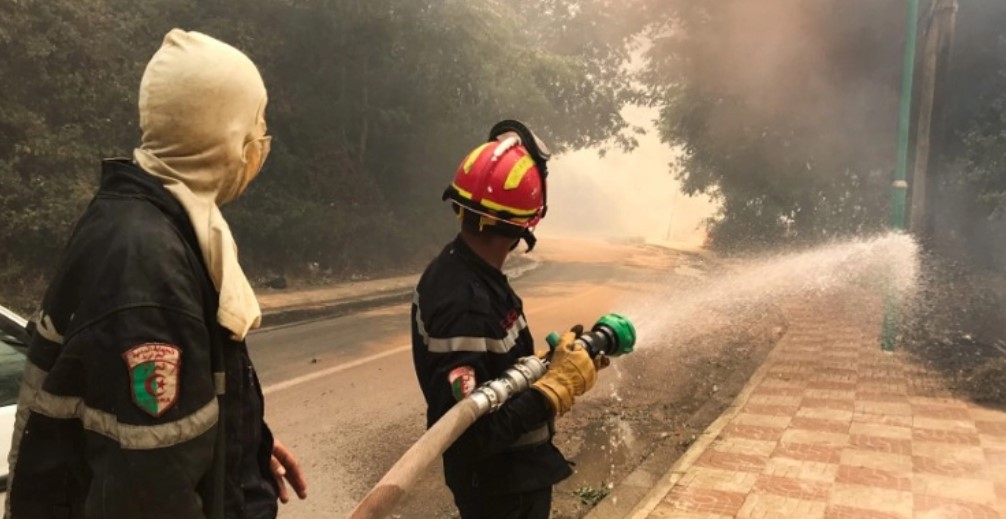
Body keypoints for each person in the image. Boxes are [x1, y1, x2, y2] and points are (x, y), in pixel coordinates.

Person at [5, 30, 306, 519]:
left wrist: (242, 448)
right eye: (256, 125)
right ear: (224, 135)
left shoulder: (155, 222)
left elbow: (161, 435)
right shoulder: (149, 268)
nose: (261, 143)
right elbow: (148, 492)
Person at [411, 120, 601, 518]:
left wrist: (554, 365)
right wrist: (551, 390)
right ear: (525, 222)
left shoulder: (473, 274)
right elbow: (471, 432)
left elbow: (497, 380)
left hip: (514, 479)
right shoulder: (464, 301)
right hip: (500, 490)